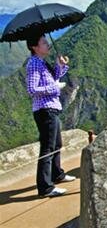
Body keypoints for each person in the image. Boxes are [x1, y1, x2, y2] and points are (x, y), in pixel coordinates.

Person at [25, 34, 76, 197]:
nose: (48, 45)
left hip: (51, 108)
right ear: (35, 47)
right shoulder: (34, 64)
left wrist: (60, 66)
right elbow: (32, 90)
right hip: (44, 110)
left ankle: (57, 174)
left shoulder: (41, 62)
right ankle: (45, 187)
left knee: (56, 144)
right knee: (47, 148)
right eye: (44, 42)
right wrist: (55, 88)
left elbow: (53, 78)